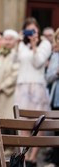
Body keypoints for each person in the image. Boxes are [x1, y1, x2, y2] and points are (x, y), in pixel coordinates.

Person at [14, 18, 52, 167]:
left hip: (37, 85)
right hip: (22, 85)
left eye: (34, 30)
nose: (31, 33)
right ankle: (24, 155)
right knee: (23, 123)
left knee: (38, 123)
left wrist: (35, 45)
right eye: (28, 30)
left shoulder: (45, 44)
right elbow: (15, 61)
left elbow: (38, 62)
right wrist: (17, 43)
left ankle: (33, 157)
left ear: (38, 30)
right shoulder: (22, 45)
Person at [0, 29, 20, 119]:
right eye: (6, 39)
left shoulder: (16, 55)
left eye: (10, 39)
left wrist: (0, 87)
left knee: (7, 119)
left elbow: (14, 75)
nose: (7, 42)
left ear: (15, 41)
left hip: (8, 93)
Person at [45, 28, 59, 166]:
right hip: (57, 96)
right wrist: (56, 72)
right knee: (57, 128)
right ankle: (55, 161)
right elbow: (48, 77)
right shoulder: (55, 55)